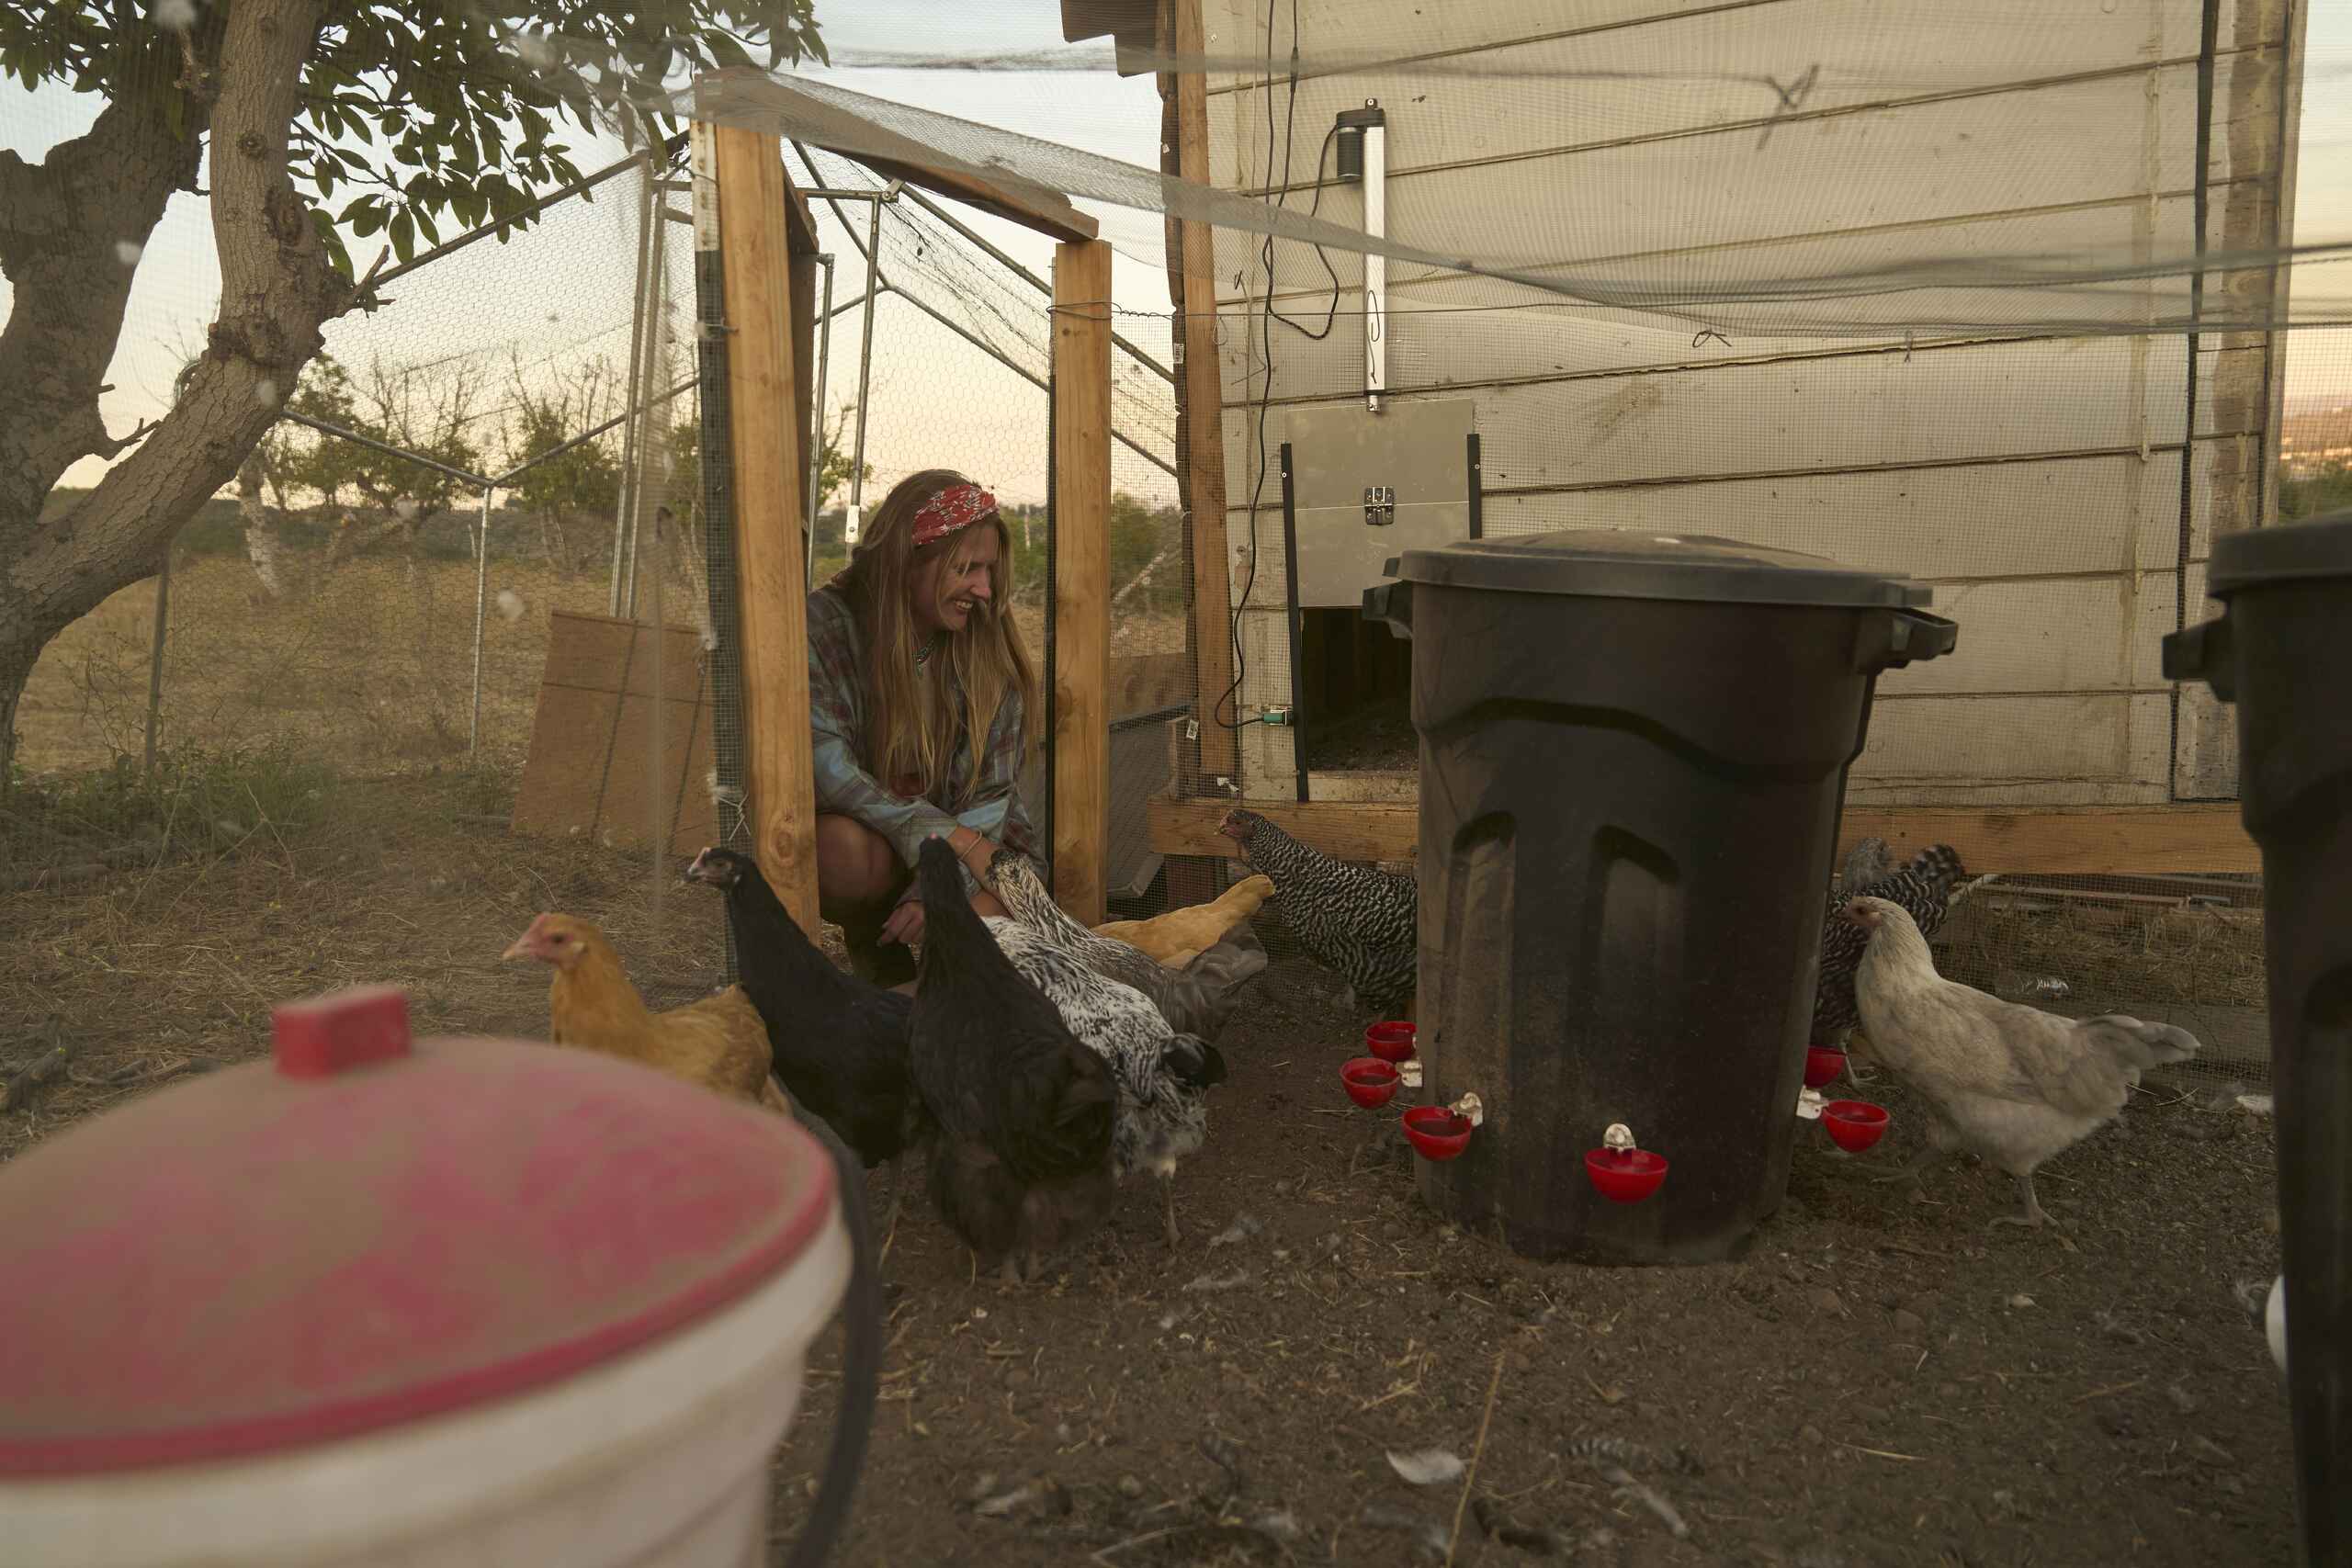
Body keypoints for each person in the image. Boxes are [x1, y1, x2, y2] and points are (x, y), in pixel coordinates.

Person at [806, 468, 1046, 986]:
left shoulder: (986, 648)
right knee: (839, 852)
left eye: (989, 571)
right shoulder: (824, 626)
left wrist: (939, 887)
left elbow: (991, 796)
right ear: (911, 561)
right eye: (967, 568)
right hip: (886, 837)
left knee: (987, 922)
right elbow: (826, 767)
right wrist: (941, 836)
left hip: (977, 844)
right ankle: (881, 948)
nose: (984, 588)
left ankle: (920, 1003)